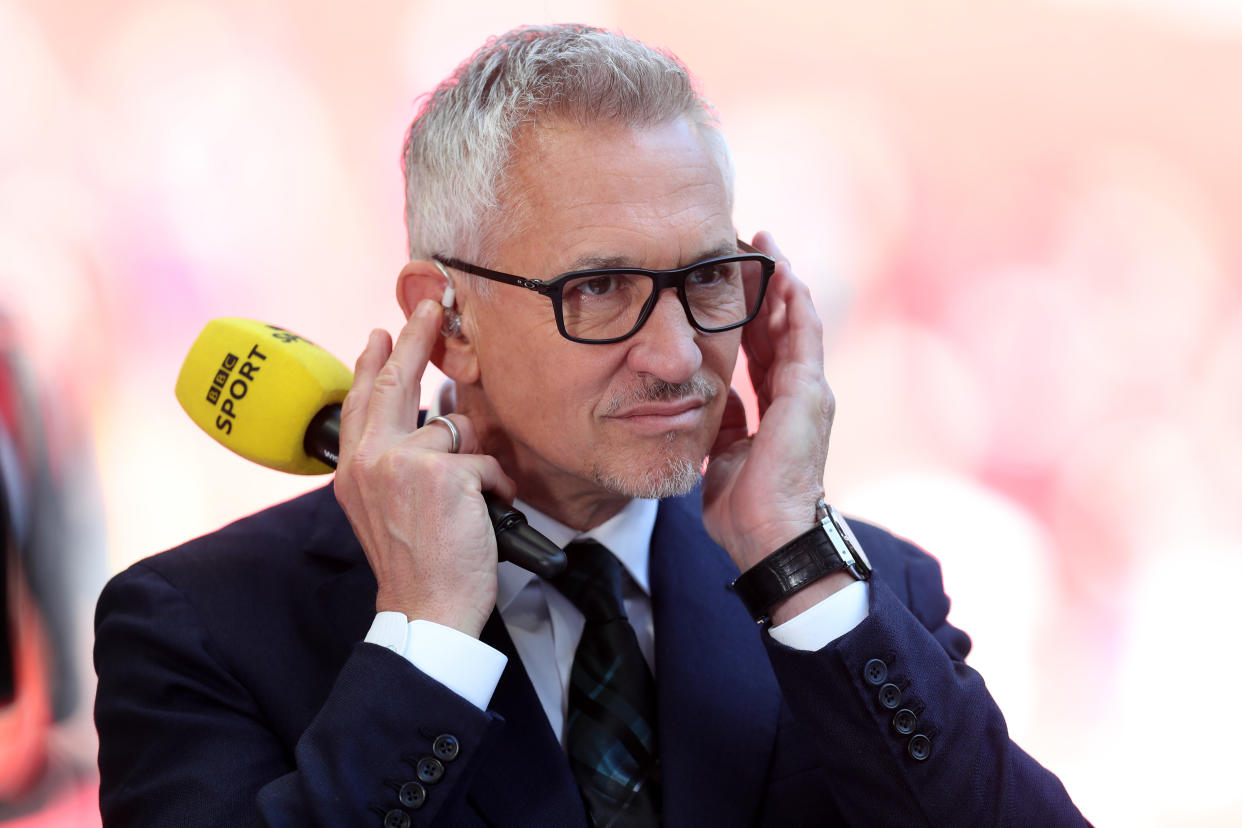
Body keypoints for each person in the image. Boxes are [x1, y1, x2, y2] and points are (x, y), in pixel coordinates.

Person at [94, 24, 1087, 827]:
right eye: (601, 288)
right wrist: (426, 641)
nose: (674, 355)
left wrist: (798, 572)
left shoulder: (863, 595)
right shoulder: (199, 627)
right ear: (449, 322)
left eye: (706, 278)